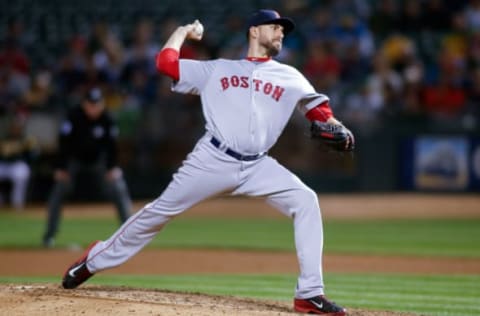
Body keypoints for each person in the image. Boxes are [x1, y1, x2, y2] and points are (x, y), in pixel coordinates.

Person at [61, 10, 351, 315]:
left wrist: (338, 127)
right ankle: (93, 260)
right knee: (157, 214)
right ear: (254, 31)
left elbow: (320, 111)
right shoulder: (217, 69)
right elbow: (165, 63)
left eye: (283, 29)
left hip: (258, 166)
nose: (281, 33)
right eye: (274, 27)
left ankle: (309, 294)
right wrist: (182, 31)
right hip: (212, 159)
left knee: (305, 200)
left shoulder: (290, 76)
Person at [42, 87, 132, 248]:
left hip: (99, 162)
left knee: (118, 187)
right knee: (59, 190)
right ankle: (49, 236)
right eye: (91, 104)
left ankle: (129, 236)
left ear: (102, 104)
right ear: (84, 104)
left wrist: (112, 168)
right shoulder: (74, 116)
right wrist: (61, 168)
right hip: (75, 161)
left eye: (97, 104)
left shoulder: (107, 118)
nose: (94, 107)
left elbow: (112, 147)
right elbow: (63, 144)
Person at [0, 114, 35, 211]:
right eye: (14, 127)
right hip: (3, 165)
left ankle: (17, 203)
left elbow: (33, 155)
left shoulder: (25, 139)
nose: (16, 129)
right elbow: (4, 151)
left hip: (16, 165)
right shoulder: (5, 137)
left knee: (22, 173)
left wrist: (29, 148)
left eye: (18, 127)